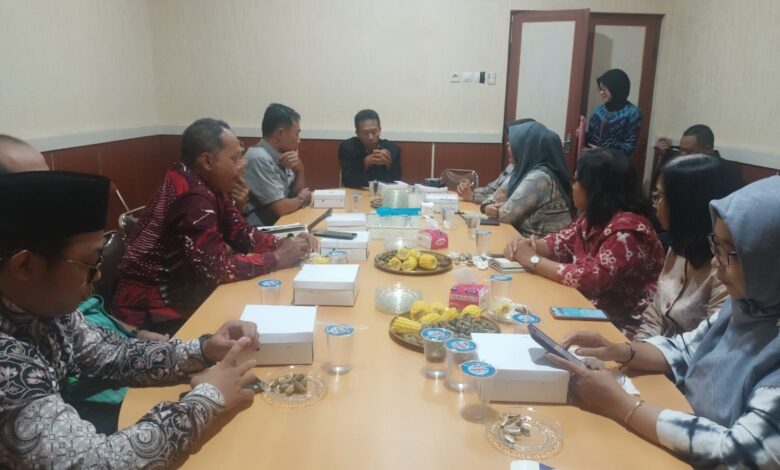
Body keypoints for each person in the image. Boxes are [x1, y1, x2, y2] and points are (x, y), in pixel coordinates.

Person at [0, 170, 261, 467]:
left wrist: (204, 350)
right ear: (24, 266)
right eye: (88, 262)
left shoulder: (44, 307)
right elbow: (97, 463)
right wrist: (207, 400)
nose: (98, 275)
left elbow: (112, 355)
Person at [546, 176, 780, 468]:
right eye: (716, 245)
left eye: (731, 251)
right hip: (684, 431)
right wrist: (619, 350)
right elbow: (686, 349)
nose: (716, 261)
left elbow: (739, 453)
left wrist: (622, 404)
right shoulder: (746, 307)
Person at [113, 118, 317, 334]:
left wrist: (286, 243)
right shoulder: (193, 197)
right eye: (235, 158)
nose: (244, 163)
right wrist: (276, 258)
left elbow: (241, 233)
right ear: (208, 162)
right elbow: (215, 269)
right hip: (151, 315)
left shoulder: (208, 183)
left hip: (182, 296)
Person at [504, 148, 664, 338]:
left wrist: (533, 260)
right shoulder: (593, 217)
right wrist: (527, 245)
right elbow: (560, 243)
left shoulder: (628, 231)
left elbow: (592, 279)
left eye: (576, 181)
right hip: (588, 308)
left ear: (596, 188)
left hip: (621, 327)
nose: (572, 186)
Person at [635, 155, 741, 339]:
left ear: (686, 202)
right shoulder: (679, 247)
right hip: (655, 350)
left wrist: (634, 352)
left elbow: (708, 342)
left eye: (659, 195)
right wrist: (634, 350)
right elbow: (654, 316)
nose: (655, 204)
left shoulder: (727, 266)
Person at [482, 121, 573, 237]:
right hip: (521, 238)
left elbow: (506, 215)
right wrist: (486, 207)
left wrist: (501, 204)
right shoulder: (519, 170)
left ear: (526, 147)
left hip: (540, 244)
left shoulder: (540, 177)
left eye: (513, 144)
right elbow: (491, 199)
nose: (508, 148)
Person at [243, 103, 311, 225]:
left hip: (278, 221)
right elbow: (281, 208)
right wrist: (301, 200)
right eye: (296, 134)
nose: (299, 141)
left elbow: (294, 194)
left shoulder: (280, 154)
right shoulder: (259, 158)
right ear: (280, 134)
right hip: (260, 227)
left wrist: (300, 169)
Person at [457, 118, 534, 205]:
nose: (507, 144)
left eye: (512, 141)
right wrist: (469, 190)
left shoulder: (532, 176)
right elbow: (491, 190)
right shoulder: (511, 166)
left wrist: (473, 197)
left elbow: (506, 203)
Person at [585, 69, 642, 156]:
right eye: (600, 89)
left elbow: (629, 147)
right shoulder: (599, 111)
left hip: (616, 163)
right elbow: (592, 139)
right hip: (594, 161)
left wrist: (603, 152)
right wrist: (582, 135)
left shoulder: (632, 113)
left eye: (605, 89)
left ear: (616, 88)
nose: (601, 92)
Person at [339, 109, 401, 188]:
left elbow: (397, 183)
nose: (370, 137)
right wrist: (364, 164)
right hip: (356, 193)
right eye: (365, 133)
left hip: (383, 194)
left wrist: (389, 166)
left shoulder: (392, 149)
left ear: (380, 130)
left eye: (374, 132)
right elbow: (348, 182)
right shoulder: (348, 148)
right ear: (357, 133)